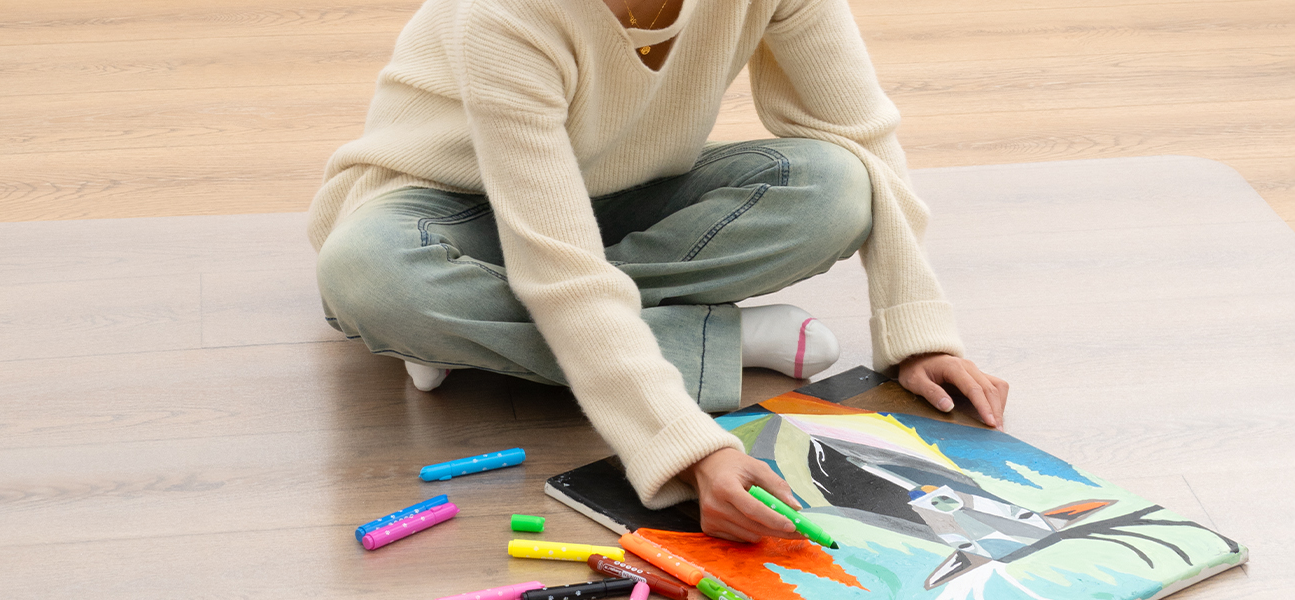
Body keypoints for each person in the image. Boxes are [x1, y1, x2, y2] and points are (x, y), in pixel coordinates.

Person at [308, 0, 1009, 544]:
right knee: (370, 275)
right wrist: (690, 449)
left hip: (619, 196)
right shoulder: (508, 15)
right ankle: (719, 345)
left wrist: (919, 331)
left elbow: (859, 134)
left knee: (839, 186)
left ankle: (478, 334)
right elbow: (563, 271)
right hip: (448, 207)